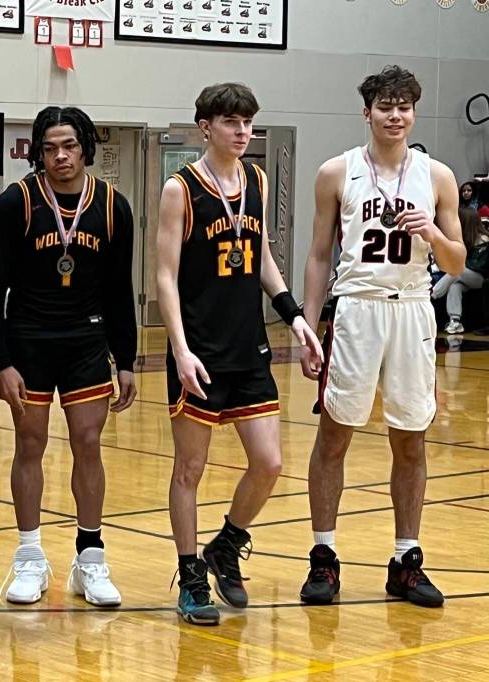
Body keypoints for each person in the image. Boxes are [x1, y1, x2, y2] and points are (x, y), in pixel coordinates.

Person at [156, 83, 322, 626]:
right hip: (198, 350)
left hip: (248, 346)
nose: (242, 131)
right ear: (206, 127)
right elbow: (164, 275)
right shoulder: (180, 189)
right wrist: (178, 350)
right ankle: (189, 575)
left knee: (270, 463)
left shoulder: (257, 177)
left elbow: (263, 256)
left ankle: (225, 545)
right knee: (190, 469)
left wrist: (294, 314)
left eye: (248, 122)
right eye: (231, 122)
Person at [299, 65, 465, 609]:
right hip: (356, 310)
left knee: (410, 437)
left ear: (413, 112)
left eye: (404, 106)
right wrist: (308, 322)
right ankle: (323, 556)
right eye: (385, 106)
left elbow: (457, 262)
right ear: (366, 111)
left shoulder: (437, 175)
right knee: (335, 435)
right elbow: (320, 255)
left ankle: (406, 559)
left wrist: (433, 231)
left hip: (414, 310)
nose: (395, 115)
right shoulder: (335, 172)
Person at [0, 106, 137, 607]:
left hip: (86, 341)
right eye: (49, 148)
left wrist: (126, 359)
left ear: (85, 146)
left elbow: (118, 291)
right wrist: (1, 362)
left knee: (89, 442)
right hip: (29, 339)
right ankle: (29, 557)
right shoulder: (16, 203)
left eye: (68, 145)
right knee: (30, 443)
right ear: (37, 152)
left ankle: (90, 558)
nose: (59, 156)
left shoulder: (113, 206)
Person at [431, 206, 489, 334]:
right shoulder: (466, 238)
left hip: (481, 279)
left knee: (457, 271)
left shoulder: (483, 239)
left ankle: (432, 295)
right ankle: (455, 321)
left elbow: (479, 266)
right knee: (455, 285)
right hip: (465, 278)